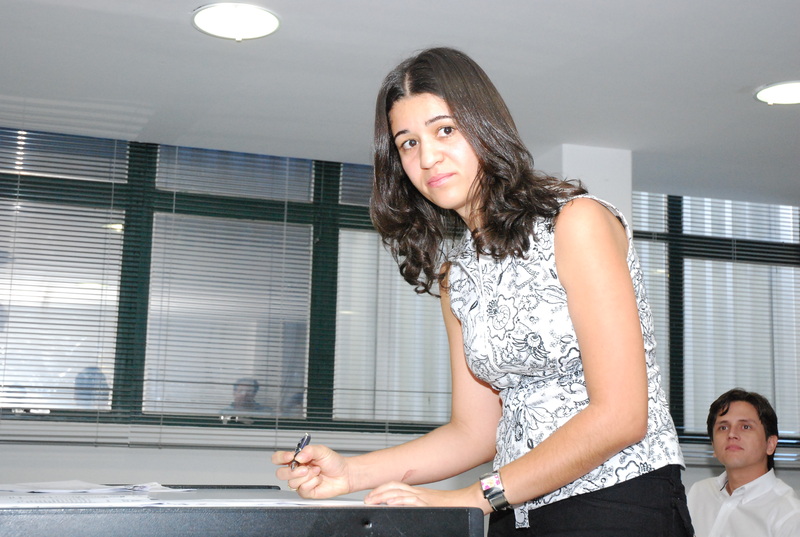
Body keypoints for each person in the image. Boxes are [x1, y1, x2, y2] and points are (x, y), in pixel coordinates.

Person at [272, 47, 692, 536]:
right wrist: (351, 473)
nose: (427, 157)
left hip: (619, 501)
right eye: (408, 143)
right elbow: (473, 433)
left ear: (484, 125)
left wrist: (475, 497)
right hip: (515, 511)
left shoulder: (576, 222)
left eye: (445, 130)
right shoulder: (458, 276)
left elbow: (620, 416)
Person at [687, 388, 800, 537]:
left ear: (770, 444)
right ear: (713, 446)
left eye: (745, 427)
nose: (731, 434)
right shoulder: (699, 493)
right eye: (723, 427)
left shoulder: (789, 515)